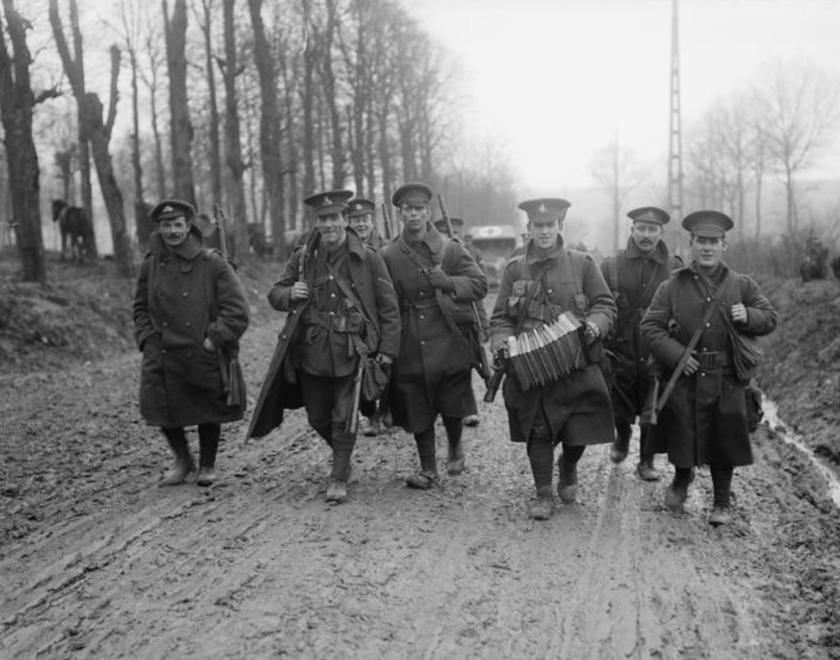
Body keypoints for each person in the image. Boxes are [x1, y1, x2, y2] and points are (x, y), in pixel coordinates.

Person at [249, 189, 400, 503]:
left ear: (345, 220)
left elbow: (388, 305)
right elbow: (275, 293)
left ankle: (339, 473)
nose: (329, 224)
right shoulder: (303, 257)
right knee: (317, 417)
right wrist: (291, 293)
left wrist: (388, 347)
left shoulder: (368, 257)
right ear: (316, 222)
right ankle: (342, 454)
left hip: (351, 348)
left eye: (334, 218)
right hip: (312, 349)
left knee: (343, 415)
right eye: (323, 219)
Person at [640, 210, 777, 525]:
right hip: (685, 376)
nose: (707, 247)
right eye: (701, 241)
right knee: (683, 433)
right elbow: (650, 327)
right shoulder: (673, 286)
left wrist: (750, 316)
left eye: (713, 241)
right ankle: (681, 479)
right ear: (691, 244)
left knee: (724, 439)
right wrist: (676, 354)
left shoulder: (741, 284)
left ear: (724, 245)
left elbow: (770, 317)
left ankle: (721, 503)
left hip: (726, 377)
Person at [490, 198, 616, 520]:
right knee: (538, 430)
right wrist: (503, 344)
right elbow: (501, 318)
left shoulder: (584, 264)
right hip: (531, 369)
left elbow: (605, 305)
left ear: (560, 226)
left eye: (550, 225)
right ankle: (543, 492)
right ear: (529, 228)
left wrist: (594, 325)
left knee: (581, 429)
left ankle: (569, 465)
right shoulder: (515, 269)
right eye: (538, 226)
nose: (544, 231)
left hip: (576, 365)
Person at [133, 198, 249, 487]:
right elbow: (139, 308)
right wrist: (147, 339)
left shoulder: (211, 262)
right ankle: (183, 460)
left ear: (188, 227)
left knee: (207, 407)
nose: (172, 231)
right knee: (160, 408)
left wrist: (214, 340)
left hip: (201, 349)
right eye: (165, 225)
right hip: (162, 351)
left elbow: (237, 311)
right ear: (158, 229)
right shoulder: (151, 264)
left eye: (177, 224)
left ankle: (207, 465)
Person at [381, 182, 488, 488]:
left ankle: (455, 445)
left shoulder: (451, 249)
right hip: (409, 338)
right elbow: (382, 298)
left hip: (449, 335)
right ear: (400, 214)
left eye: (419, 209)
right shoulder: (388, 254)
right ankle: (428, 468)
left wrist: (450, 282)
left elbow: (479, 284)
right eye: (407, 210)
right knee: (416, 401)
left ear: (428, 213)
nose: (413, 215)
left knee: (452, 399)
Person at [600, 206, 683, 481]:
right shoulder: (612, 265)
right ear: (632, 230)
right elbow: (600, 302)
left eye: (652, 230)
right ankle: (622, 437)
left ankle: (646, 460)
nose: (646, 235)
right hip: (621, 344)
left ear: (661, 233)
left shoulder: (675, 269)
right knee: (619, 399)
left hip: (656, 345)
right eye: (641, 229)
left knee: (654, 402)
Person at [432, 216, 489, 429]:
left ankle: (469, 409)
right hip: (440, 322)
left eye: (455, 233)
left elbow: (478, 293)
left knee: (466, 364)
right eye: (446, 233)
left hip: (464, 318)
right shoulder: (434, 254)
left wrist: (483, 323)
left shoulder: (469, 253)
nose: (450, 236)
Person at [347, 196, 388, 437]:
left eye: (364, 219)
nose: (361, 224)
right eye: (355, 219)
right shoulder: (344, 250)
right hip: (359, 321)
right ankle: (370, 415)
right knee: (361, 368)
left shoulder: (386, 248)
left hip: (384, 316)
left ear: (373, 221)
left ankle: (387, 410)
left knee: (388, 368)